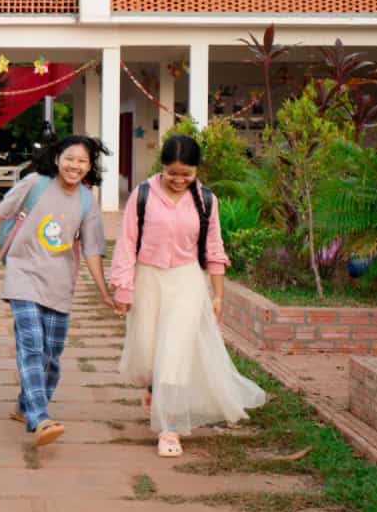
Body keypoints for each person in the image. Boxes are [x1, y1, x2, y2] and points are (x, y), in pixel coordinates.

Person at [0, 135, 116, 446]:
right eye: (70, 158)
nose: (75, 165)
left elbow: (92, 250)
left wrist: (104, 292)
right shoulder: (35, 183)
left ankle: (24, 404)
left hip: (60, 282)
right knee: (31, 346)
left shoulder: (87, 201)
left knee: (51, 357)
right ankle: (40, 418)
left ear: (90, 167)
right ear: (57, 158)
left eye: (83, 161)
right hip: (23, 275)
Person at [110, 133, 266, 457]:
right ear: (162, 167)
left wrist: (218, 295)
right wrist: (123, 290)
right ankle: (152, 388)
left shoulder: (206, 200)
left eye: (187, 174)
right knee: (146, 351)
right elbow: (126, 244)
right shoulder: (142, 195)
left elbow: (214, 248)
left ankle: (170, 427)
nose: (179, 180)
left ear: (197, 170)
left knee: (174, 353)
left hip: (186, 281)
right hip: (147, 278)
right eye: (172, 173)